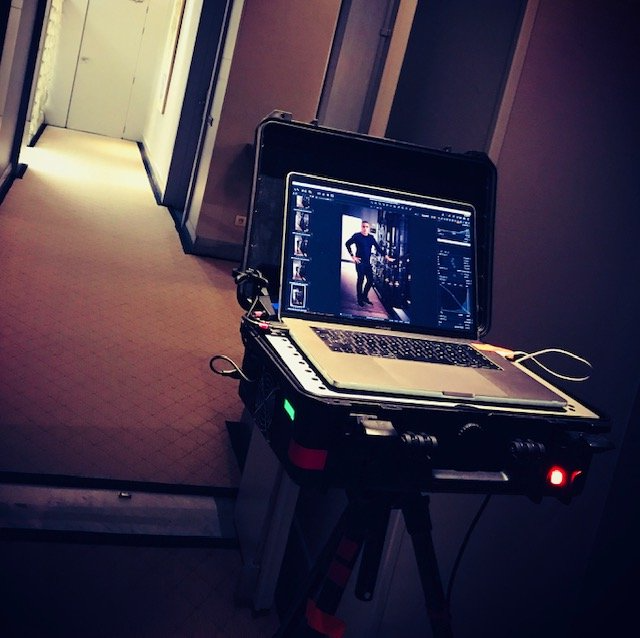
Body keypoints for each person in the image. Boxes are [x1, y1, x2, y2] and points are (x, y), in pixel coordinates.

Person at [345, 220, 394, 306]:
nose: (365, 228)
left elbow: (378, 248)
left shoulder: (371, 238)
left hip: (367, 262)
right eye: (363, 226)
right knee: (360, 279)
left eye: (366, 227)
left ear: (369, 228)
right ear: (361, 227)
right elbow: (347, 244)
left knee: (370, 280)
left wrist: (386, 257)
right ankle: (359, 299)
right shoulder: (357, 236)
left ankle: (364, 296)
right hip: (360, 262)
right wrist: (353, 256)